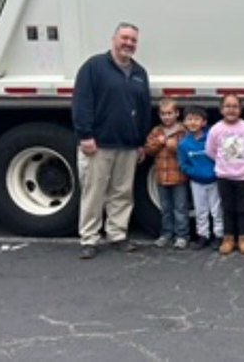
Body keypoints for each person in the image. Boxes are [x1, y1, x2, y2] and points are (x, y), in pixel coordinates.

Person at [73, 22, 152, 260]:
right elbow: (82, 103)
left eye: (133, 40)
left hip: (128, 145)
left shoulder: (139, 73)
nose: (128, 43)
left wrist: (140, 141)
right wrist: (85, 135)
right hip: (99, 144)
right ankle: (89, 238)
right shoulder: (94, 67)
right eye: (125, 38)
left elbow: (144, 109)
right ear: (113, 39)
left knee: (121, 193)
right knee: (94, 192)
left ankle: (117, 235)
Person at [206, 94, 244, 256]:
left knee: (243, 209)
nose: (231, 109)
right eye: (228, 106)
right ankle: (228, 238)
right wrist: (223, 163)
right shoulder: (216, 129)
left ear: (240, 109)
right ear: (221, 109)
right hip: (224, 175)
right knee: (227, 208)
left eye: (235, 106)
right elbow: (211, 151)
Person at [144, 98, 189, 250]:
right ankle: (166, 234)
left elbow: (187, 149)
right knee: (165, 209)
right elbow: (148, 149)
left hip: (179, 178)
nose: (167, 117)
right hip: (161, 178)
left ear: (177, 114)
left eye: (170, 113)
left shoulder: (183, 131)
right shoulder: (156, 132)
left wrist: (173, 145)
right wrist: (159, 142)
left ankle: (182, 236)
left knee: (180, 208)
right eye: (163, 114)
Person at [178, 105, 223, 251]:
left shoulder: (211, 138)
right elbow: (183, 163)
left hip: (214, 179)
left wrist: (217, 171)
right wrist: (192, 172)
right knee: (200, 210)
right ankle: (203, 235)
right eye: (189, 119)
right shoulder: (184, 144)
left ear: (204, 122)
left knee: (216, 210)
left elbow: (220, 155)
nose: (193, 123)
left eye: (196, 119)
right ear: (184, 122)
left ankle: (219, 235)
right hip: (197, 182)